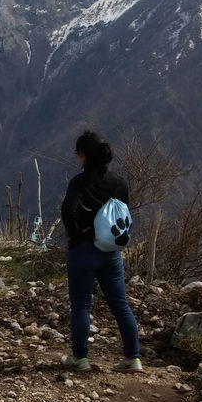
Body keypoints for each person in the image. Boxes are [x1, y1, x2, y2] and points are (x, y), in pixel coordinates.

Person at [59, 130, 142, 373]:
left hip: (83, 250)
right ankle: (133, 358)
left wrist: (78, 234)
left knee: (82, 305)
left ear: (82, 155)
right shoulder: (119, 183)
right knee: (120, 304)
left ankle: (80, 358)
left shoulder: (80, 182)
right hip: (111, 251)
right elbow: (123, 212)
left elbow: (67, 211)